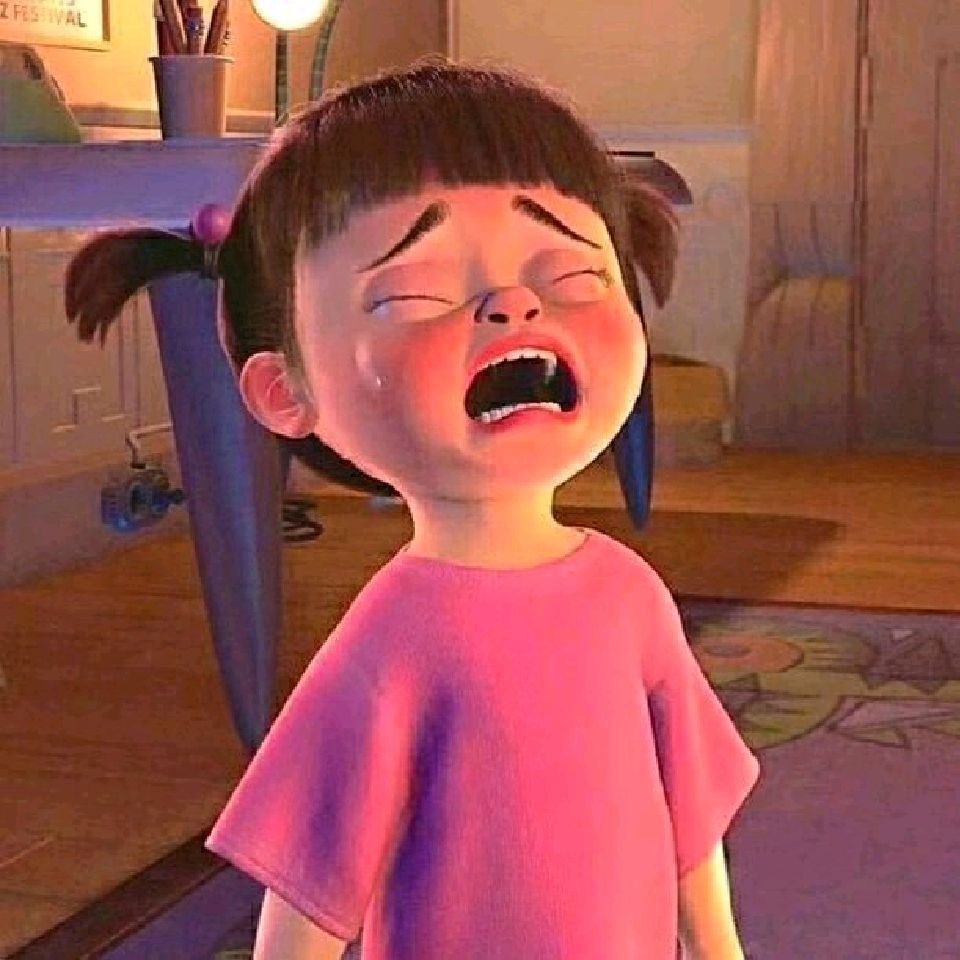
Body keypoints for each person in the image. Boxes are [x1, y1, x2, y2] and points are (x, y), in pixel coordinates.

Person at [65, 55, 760, 960]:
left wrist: (718, 947)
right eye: (418, 293)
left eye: (571, 275)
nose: (514, 307)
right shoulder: (393, 635)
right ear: (285, 390)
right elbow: (312, 883)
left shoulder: (631, 595)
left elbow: (688, 813)